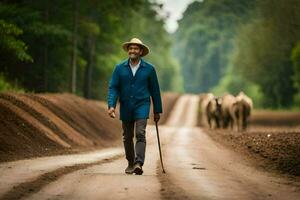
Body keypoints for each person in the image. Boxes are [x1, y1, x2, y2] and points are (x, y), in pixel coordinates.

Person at [107, 38, 163, 175]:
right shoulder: (119, 68)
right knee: (127, 136)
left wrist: (157, 110)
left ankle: (139, 163)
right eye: (130, 48)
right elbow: (113, 88)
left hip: (142, 105)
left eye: (135, 48)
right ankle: (130, 163)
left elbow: (155, 90)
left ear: (141, 51)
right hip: (126, 105)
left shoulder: (149, 69)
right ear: (128, 51)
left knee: (140, 133)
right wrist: (111, 106)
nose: (132, 51)